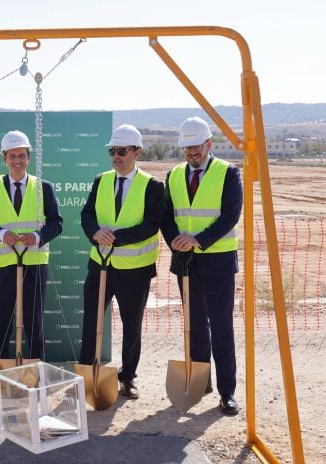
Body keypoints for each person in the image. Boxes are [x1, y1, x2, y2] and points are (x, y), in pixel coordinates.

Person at [160, 116, 243, 415]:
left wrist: (197, 239)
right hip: (185, 262)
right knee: (194, 327)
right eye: (187, 148)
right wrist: (175, 240)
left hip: (218, 261)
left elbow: (230, 216)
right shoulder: (173, 175)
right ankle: (201, 380)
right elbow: (166, 215)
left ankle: (227, 391)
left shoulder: (229, 173)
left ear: (209, 144)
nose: (192, 153)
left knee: (221, 327)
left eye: (196, 147)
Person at [78, 124, 164, 399]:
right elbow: (87, 214)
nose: (116, 156)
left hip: (135, 271)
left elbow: (151, 225)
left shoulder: (152, 186)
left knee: (131, 325)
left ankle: (128, 378)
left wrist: (115, 237)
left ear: (136, 152)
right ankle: (86, 373)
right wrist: (95, 233)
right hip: (100, 266)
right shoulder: (100, 180)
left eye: (122, 151)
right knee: (91, 320)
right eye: (112, 151)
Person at [0, 130, 62, 396]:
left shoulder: (43, 187)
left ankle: (36, 375)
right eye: (12, 156)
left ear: (28, 158)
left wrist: (36, 237)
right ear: (4, 158)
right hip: (1, 268)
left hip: (34, 266)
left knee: (34, 324)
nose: (17, 160)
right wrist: (2, 235)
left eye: (22, 156)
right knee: (2, 324)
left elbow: (56, 223)